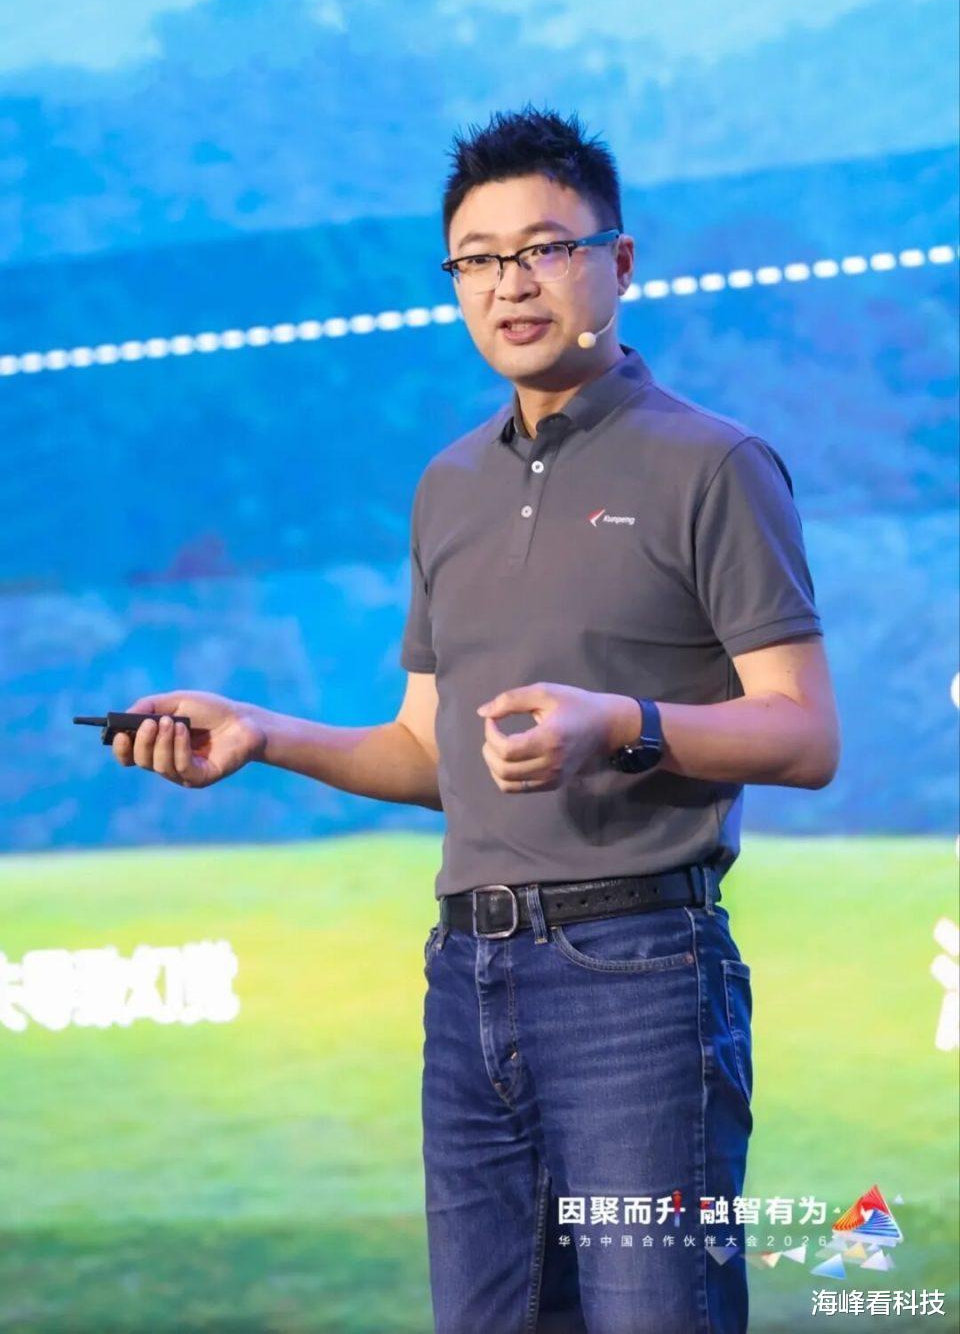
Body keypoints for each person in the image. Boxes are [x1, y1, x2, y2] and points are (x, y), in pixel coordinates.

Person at [111, 107, 840, 1334]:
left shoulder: (714, 464)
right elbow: (426, 749)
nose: (512, 283)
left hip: (638, 975)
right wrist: (260, 731)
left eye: (545, 248)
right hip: (468, 978)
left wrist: (619, 721)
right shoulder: (448, 485)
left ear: (619, 261)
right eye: (478, 259)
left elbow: (804, 732)